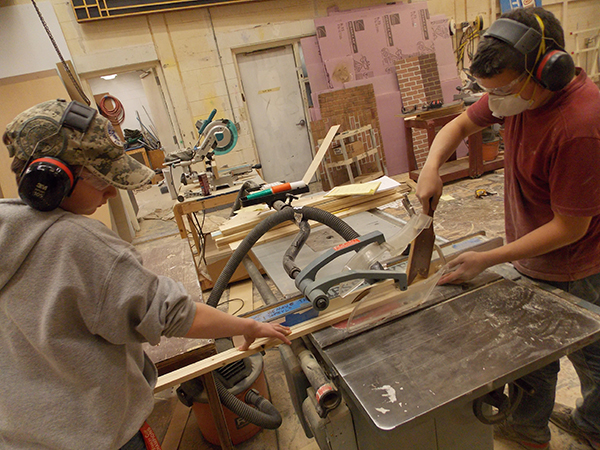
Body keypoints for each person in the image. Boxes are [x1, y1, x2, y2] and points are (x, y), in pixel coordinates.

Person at [0, 99, 292, 449]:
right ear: (49, 179)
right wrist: (249, 326)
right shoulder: (78, 243)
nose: (110, 192)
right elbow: (174, 314)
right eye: (99, 180)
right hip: (99, 437)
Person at [415, 6, 600, 450]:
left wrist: (490, 257)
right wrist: (431, 166)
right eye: (489, 92)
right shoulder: (519, 93)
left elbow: (570, 228)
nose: (495, 103)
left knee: (592, 360)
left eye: (504, 90)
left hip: (578, 267)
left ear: (548, 68)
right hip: (531, 255)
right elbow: (460, 124)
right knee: (534, 360)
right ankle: (527, 429)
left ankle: (586, 427)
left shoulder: (580, 125)